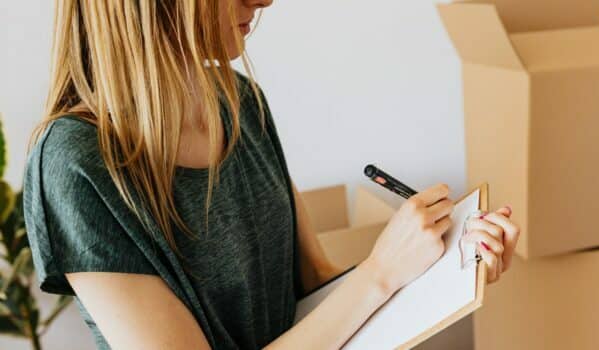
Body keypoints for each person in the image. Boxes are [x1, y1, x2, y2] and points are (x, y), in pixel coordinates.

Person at [21, 1, 519, 349]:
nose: (264, 1)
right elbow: (361, 289)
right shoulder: (75, 163)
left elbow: (315, 287)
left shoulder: (240, 103)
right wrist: (382, 272)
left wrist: (445, 266)